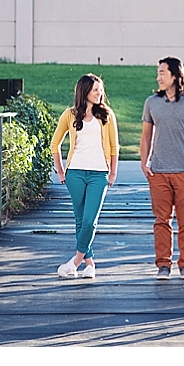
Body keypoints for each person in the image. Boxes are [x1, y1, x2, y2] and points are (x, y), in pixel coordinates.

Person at [140, 56, 184, 280]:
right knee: (162, 220)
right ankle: (163, 265)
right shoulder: (152, 102)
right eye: (158, 73)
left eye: (162, 73)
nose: (158, 77)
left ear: (175, 75)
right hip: (158, 171)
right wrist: (144, 162)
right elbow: (146, 136)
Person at [50, 74, 119, 279]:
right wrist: (60, 171)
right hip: (75, 173)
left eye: (101, 89)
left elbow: (114, 147)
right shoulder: (69, 115)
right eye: (95, 89)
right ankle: (89, 264)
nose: (100, 93)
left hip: (99, 174)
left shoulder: (107, 115)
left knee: (90, 221)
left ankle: (74, 263)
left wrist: (113, 172)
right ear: (85, 91)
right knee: (80, 221)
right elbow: (55, 144)